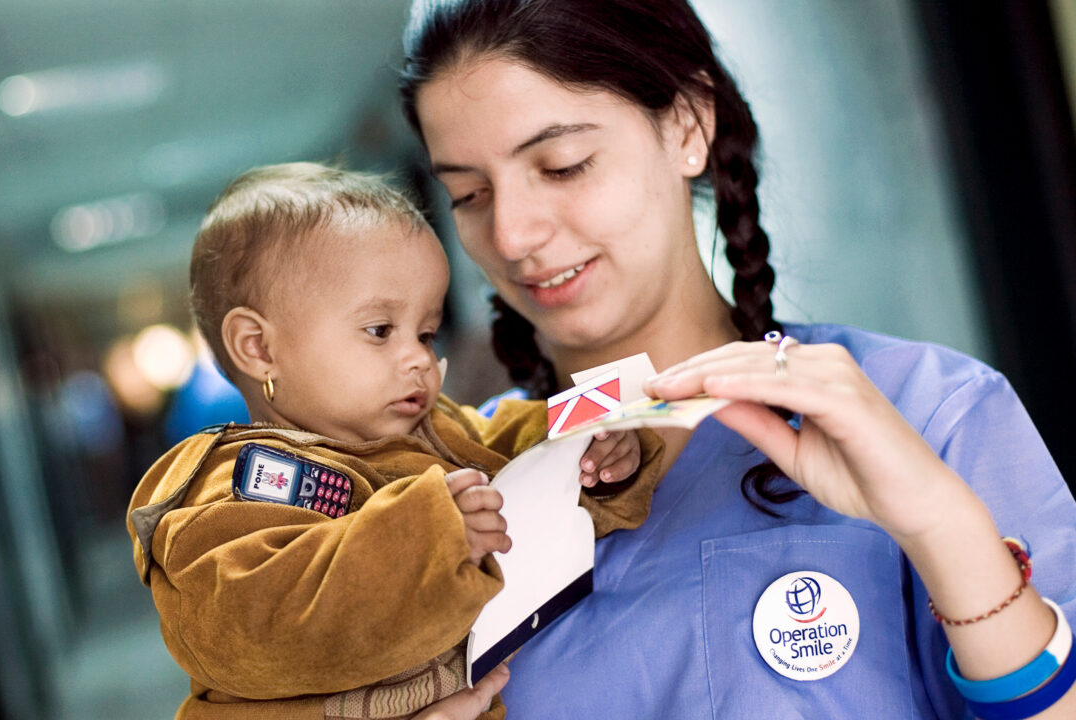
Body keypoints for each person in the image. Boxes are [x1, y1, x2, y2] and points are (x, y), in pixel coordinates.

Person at [399, 1, 1076, 717]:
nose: (511, 234)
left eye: (563, 166)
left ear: (687, 124)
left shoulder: (923, 411)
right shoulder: (441, 493)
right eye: (468, 195)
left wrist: (939, 526)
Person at [125, 162, 663, 719]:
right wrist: (425, 539)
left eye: (426, 333)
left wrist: (600, 448)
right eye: (380, 330)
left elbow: (521, 443)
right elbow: (247, 623)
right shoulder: (229, 484)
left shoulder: (437, 430)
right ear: (259, 348)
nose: (420, 358)